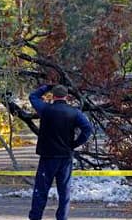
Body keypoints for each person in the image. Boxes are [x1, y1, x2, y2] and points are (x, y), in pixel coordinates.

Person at [28, 84, 92, 220]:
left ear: (53, 96)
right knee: (64, 193)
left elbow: (33, 96)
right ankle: (62, 217)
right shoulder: (74, 113)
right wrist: (75, 143)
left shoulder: (45, 109)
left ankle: (35, 217)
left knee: (41, 191)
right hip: (65, 157)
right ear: (67, 97)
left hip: (47, 156)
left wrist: (46, 87)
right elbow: (87, 129)